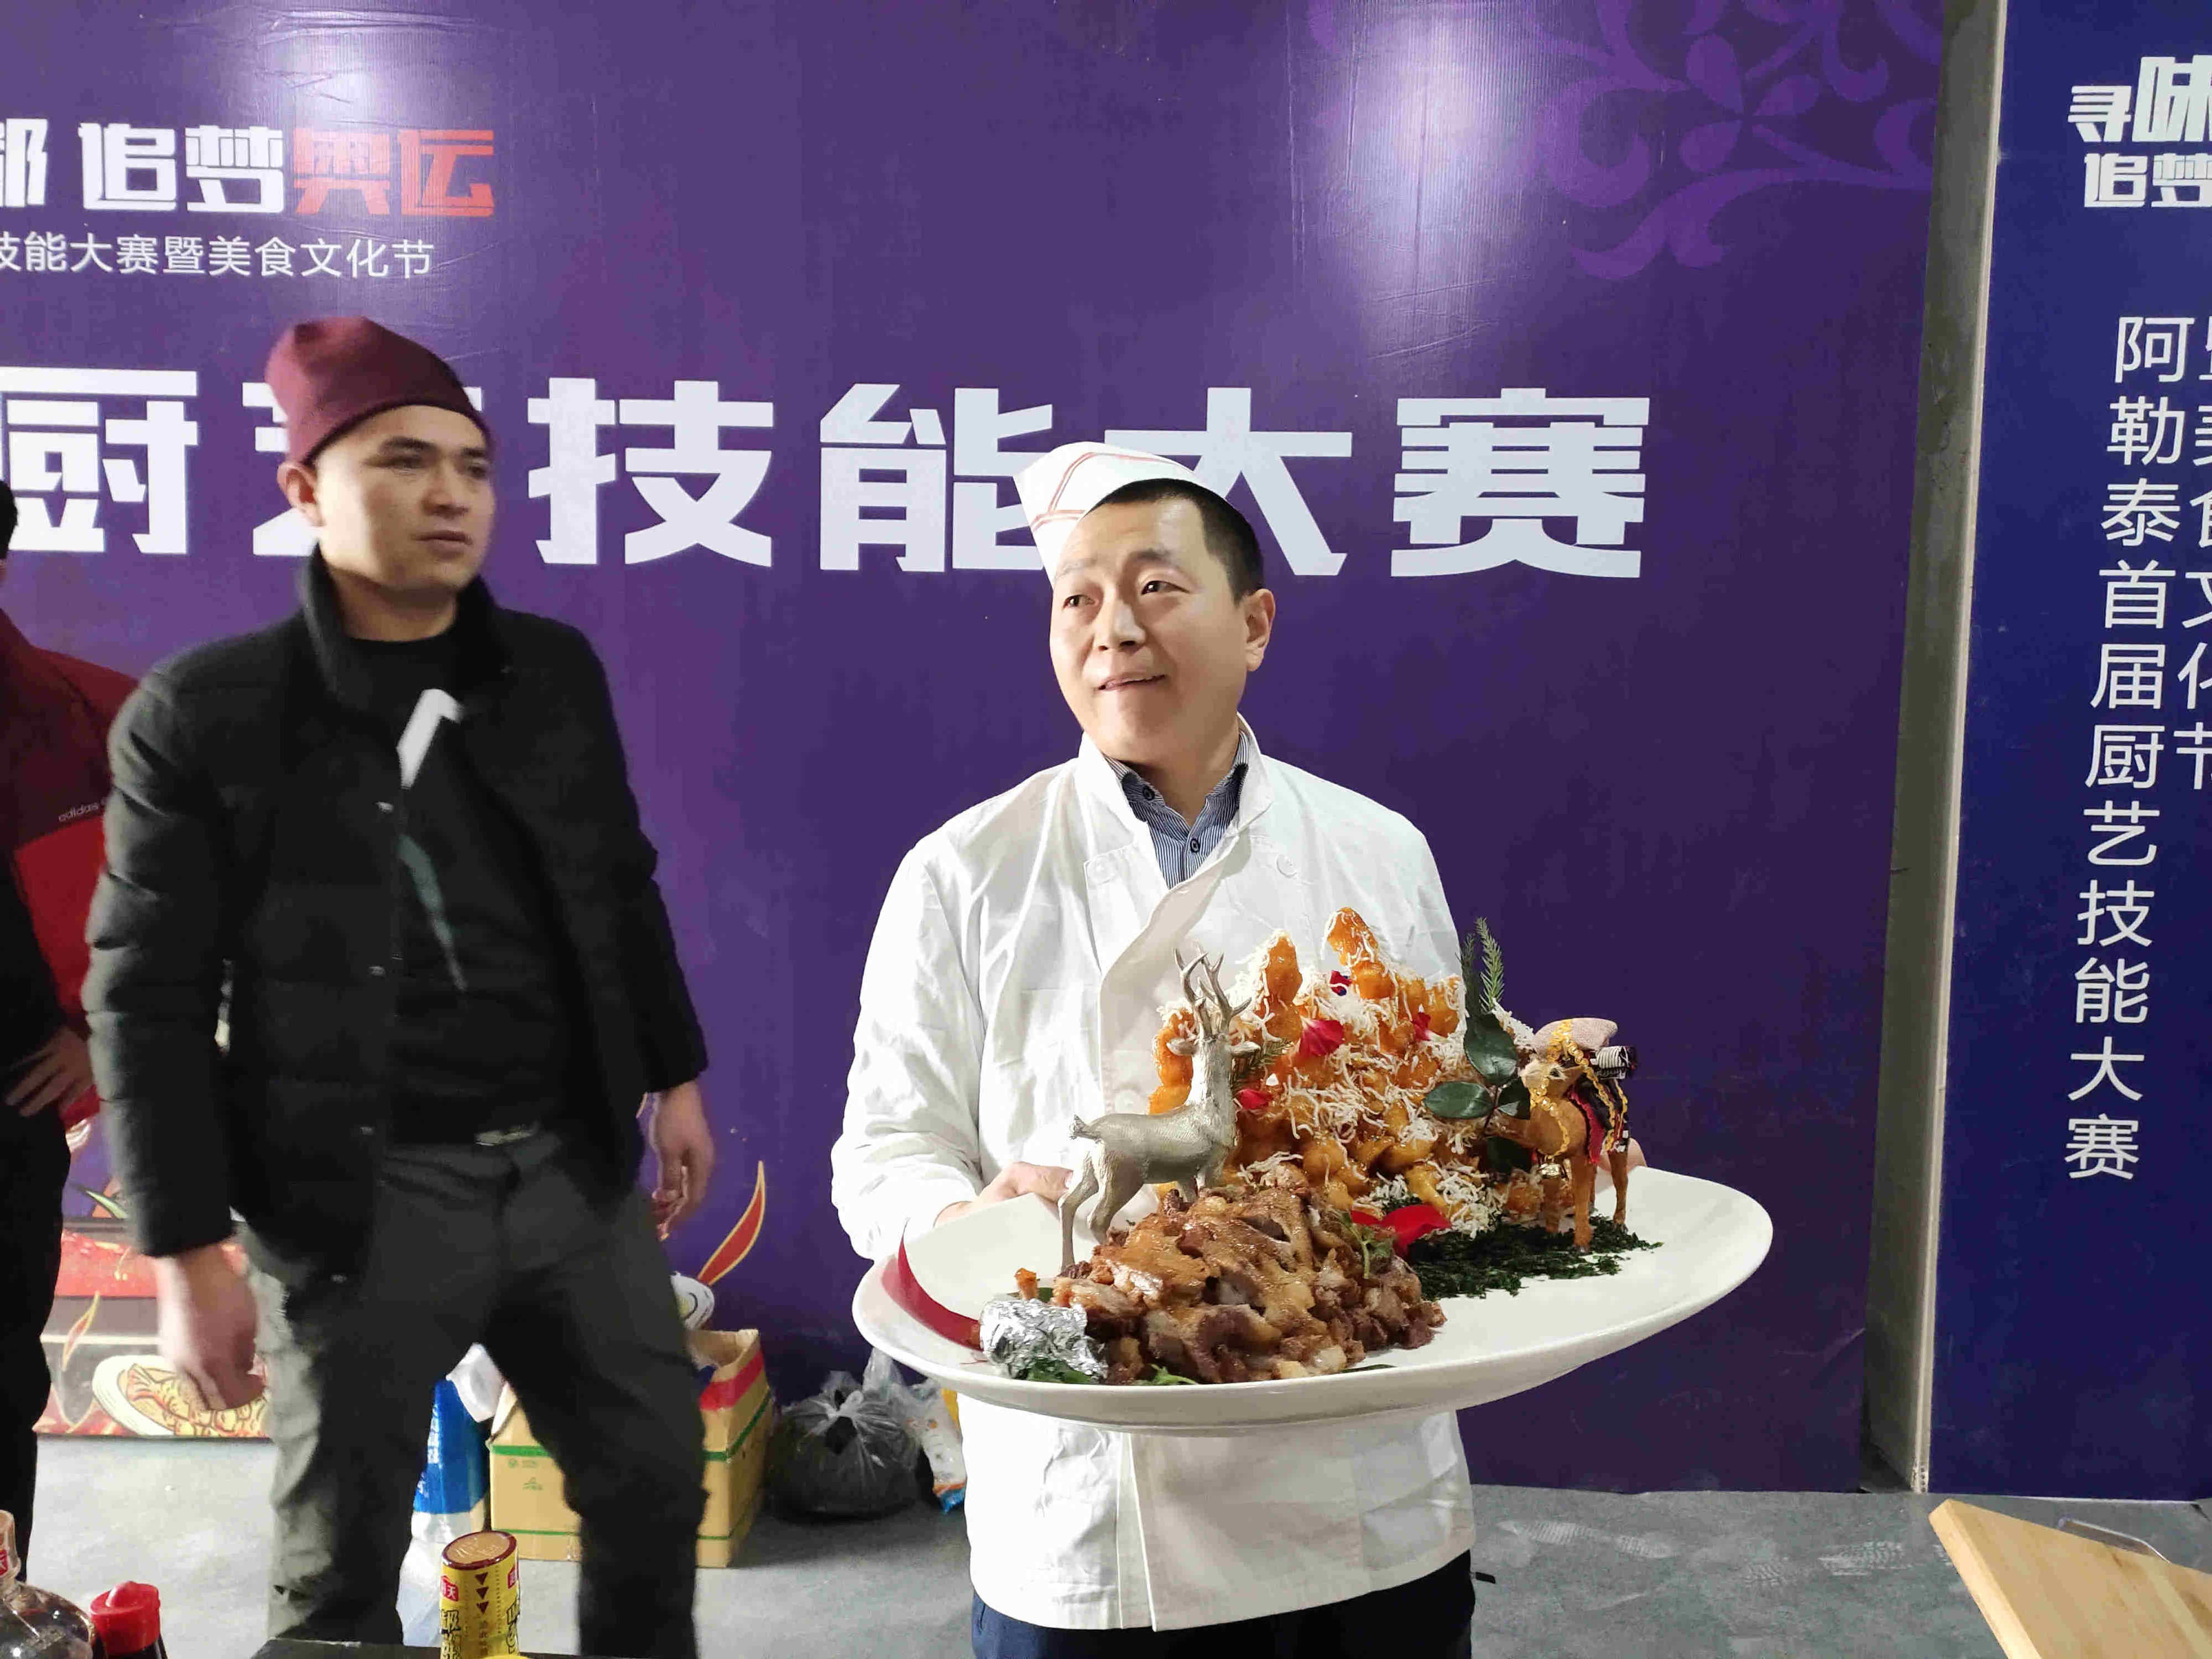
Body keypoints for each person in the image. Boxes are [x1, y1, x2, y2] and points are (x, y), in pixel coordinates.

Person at [85, 319, 717, 1659]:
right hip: (358, 1203)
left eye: (473, 468)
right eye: (403, 461)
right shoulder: (206, 713)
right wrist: (185, 1253)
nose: (449, 495)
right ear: (306, 490)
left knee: (655, 1491)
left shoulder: (549, 674)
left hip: (569, 1176)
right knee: (339, 1579)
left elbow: (619, 881)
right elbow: (146, 995)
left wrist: (676, 1077)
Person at [832, 442, 1484, 1656]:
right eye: (1076, 598)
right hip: (1087, 1510)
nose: (1112, 628)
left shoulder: (1377, 850)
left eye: (1155, 587)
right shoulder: (964, 872)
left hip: (1357, 1482)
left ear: (1255, 625)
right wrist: (973, 1220)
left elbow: (1439, 1123)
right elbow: (884, 1154)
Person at [1, 479, 135, 1571]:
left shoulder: (86, 719)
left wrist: (100, 1025)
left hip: (7, 1108)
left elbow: (197, 902)